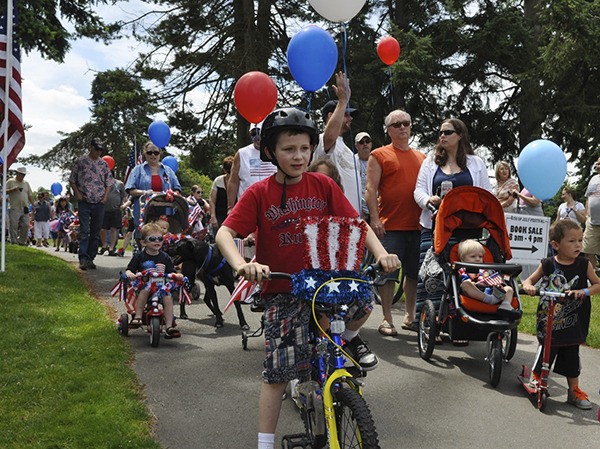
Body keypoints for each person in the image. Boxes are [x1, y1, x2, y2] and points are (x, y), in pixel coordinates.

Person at [215, 107, 399, 449]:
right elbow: (225, 233)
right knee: (278, 373)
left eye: (304, 148)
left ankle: (352, 341)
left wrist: (382, 252)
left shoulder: (323, 185)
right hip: (283, 288)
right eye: (288, 149)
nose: (298, 156)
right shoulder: (259, 193)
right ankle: (265, 443)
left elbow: (356, 225)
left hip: (324, 284)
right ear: (271, 152)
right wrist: (242, 263)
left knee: (363, 298)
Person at [414, 118, 492, 344]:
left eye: (448, 132)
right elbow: (418, 190)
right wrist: (429, 199)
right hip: (435, 226)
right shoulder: (430, 162)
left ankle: (458, 327)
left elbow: (485, 193)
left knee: (464, 277)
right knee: (432, 276)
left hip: (467, 230)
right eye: (440, 132)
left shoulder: (475, 163)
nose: (442, 136)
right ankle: (430, 326)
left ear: (460, 135)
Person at [522, 219, 600, 409]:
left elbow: (598, 284)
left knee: (572, 355)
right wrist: (529, 286)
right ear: (556, 245)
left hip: (575, 320)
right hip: (550, 319)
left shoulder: (583, 264)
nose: (578, 245)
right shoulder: (548, 264)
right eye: (572, 241)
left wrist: (585, 291)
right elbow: (529, 280)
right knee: (547, 351)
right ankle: (538, 378)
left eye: (580, 240)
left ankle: (574, 391)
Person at [366, 109, 426, 336]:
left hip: (417, 225)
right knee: (388, 274)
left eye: (406, 123)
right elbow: (370, 189)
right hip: (389, 225)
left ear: (411, 127)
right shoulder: (379, 155)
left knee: (413, 274)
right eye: (396, 124)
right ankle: (386, 318)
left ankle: (410, 317)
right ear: (388, 130)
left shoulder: (422, 157)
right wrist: (374, 218)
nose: (402, 127)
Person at [314, 72, 361, 213]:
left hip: (353, 219)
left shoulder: (348, 150)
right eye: (346, 114)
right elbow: (329, 138)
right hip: (335, 220)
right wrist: (342, 102)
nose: (350, 118)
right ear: (330, 115)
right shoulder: (322, 140)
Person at [125, 222, 182, 339]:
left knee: (168, 297)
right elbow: (129, 269)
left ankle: (169, 326)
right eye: (152, 239)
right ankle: (138, 316)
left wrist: (177, 275)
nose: (157, 241)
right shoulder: (140, 256)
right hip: (144, 286)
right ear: (143, 242)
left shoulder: (165, 257)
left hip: (161, 287)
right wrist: (130, 274)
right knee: (145, 289)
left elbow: (171, 271)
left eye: (160, 239)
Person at [124, 141, 182, 245]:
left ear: (160, 153)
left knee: (164, 242)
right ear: (145, 154)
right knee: (144, 240)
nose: (153, 155)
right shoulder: (138, 170)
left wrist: (173, 194)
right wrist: (145, 192)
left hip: (165, 213)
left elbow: (177, 188)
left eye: (156, 152)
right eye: (150, 152)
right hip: (145, 212)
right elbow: (130, 189)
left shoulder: (168, 171)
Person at [69, 138, 113, 270]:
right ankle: (82, 257)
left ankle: (90, 258)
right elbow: (72, 179)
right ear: (91, 147)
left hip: (99, 201)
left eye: (100, 150)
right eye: (96, 149)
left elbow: (109, 183)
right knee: (84, 230)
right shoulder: (81, 161)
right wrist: (77, 193)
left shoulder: (103, 164)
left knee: (95, 231)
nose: (98, 152)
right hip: (84, 200)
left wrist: (105, 197)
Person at [457, 239, 520, 318]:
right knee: (466, 285)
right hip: (476, 294)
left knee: (509, 289)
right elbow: (464, 282)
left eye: (480, 256)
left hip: (493, 292)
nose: (477, 259)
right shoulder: (462, 270)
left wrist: (498, 285)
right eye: (473, 256)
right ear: (462, 259)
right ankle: (489, 299)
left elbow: (495, 278)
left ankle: (505, 305)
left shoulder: (486, 269)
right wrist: (472, 283)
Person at [227, 123, 277, 214]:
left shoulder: (276, 151)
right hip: (247, 207)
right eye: (253, 134)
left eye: (260, 133)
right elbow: (233, 180)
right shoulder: (242, 153)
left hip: (273, 207)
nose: (257, 137)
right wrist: (230, 207)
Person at [5, 166, 35, 245]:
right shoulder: (10, 181)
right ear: (17, 173)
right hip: (14, 207)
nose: (22, 176)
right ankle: (14, 241)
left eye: (24, 174)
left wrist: (33, 204)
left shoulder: (26, 183)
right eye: (21, 174)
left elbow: (30, 195)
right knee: (13, 225)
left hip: (25, 207)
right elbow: (4, 190)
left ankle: (22, 241)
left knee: (25, 225)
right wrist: (12, 190)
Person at [99, 175, 126, 256]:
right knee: (102, 229)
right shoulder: (101, 183)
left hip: (115, 210)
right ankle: (104, 246)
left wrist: (122, 205)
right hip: (104, 209)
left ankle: (111, 248)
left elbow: (123, 196)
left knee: (114, 229)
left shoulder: (119, 184)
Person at [583, 156, 600, 268]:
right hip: (592, 223)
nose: (598, 166)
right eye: (597, 164)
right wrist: (586, 215)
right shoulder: (593, 179)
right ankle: (593, 278)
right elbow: (588, 198)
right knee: (588, 250)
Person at [209, 156, 233, 232]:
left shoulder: (239, 181)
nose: (230, 174)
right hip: (219, 216)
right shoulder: (218, 180)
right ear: (224, 170)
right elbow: (212, 200)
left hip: (233, 215)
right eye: (228, 171)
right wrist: (213, 216)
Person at [354, 131, 373, 221]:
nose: (365, 144)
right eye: (361, 142)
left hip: (376, 209)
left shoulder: (377, 160)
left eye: (367, 141)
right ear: (356, 146)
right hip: (358, 210)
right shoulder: (352, 161)